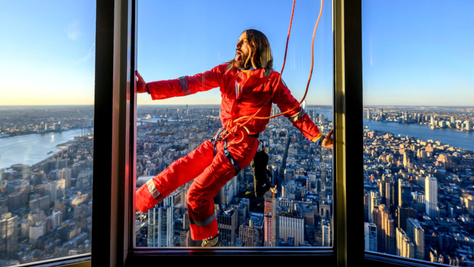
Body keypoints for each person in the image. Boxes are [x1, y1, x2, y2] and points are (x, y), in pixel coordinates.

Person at [135, 29, 334, 247]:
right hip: (222, 139)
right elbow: (189, 84)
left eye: (244, 42)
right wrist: (147, 88)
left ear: (257, 47)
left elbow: (294, 111)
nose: (237, 46)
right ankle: (135, 203)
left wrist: (319, 137)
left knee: (196, 194)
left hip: (242, 147)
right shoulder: (226, 72)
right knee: (177, 170)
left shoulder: (271, 81)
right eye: (238, 42)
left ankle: (210, 240)